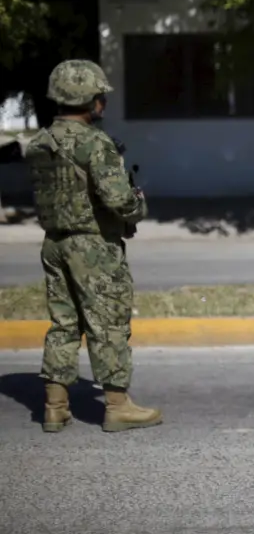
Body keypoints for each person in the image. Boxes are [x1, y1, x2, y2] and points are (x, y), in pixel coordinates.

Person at [24, 59, 159, 434]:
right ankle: (117, 406)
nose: (103, 102)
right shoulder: (95, 143)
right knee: (109, 323)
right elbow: (118, 200)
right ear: (88, 98)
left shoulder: (39, 143)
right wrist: (138, 204)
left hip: (54, 243)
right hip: (94, 247)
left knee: (64, 323)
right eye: (100, 96)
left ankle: (55, 406)